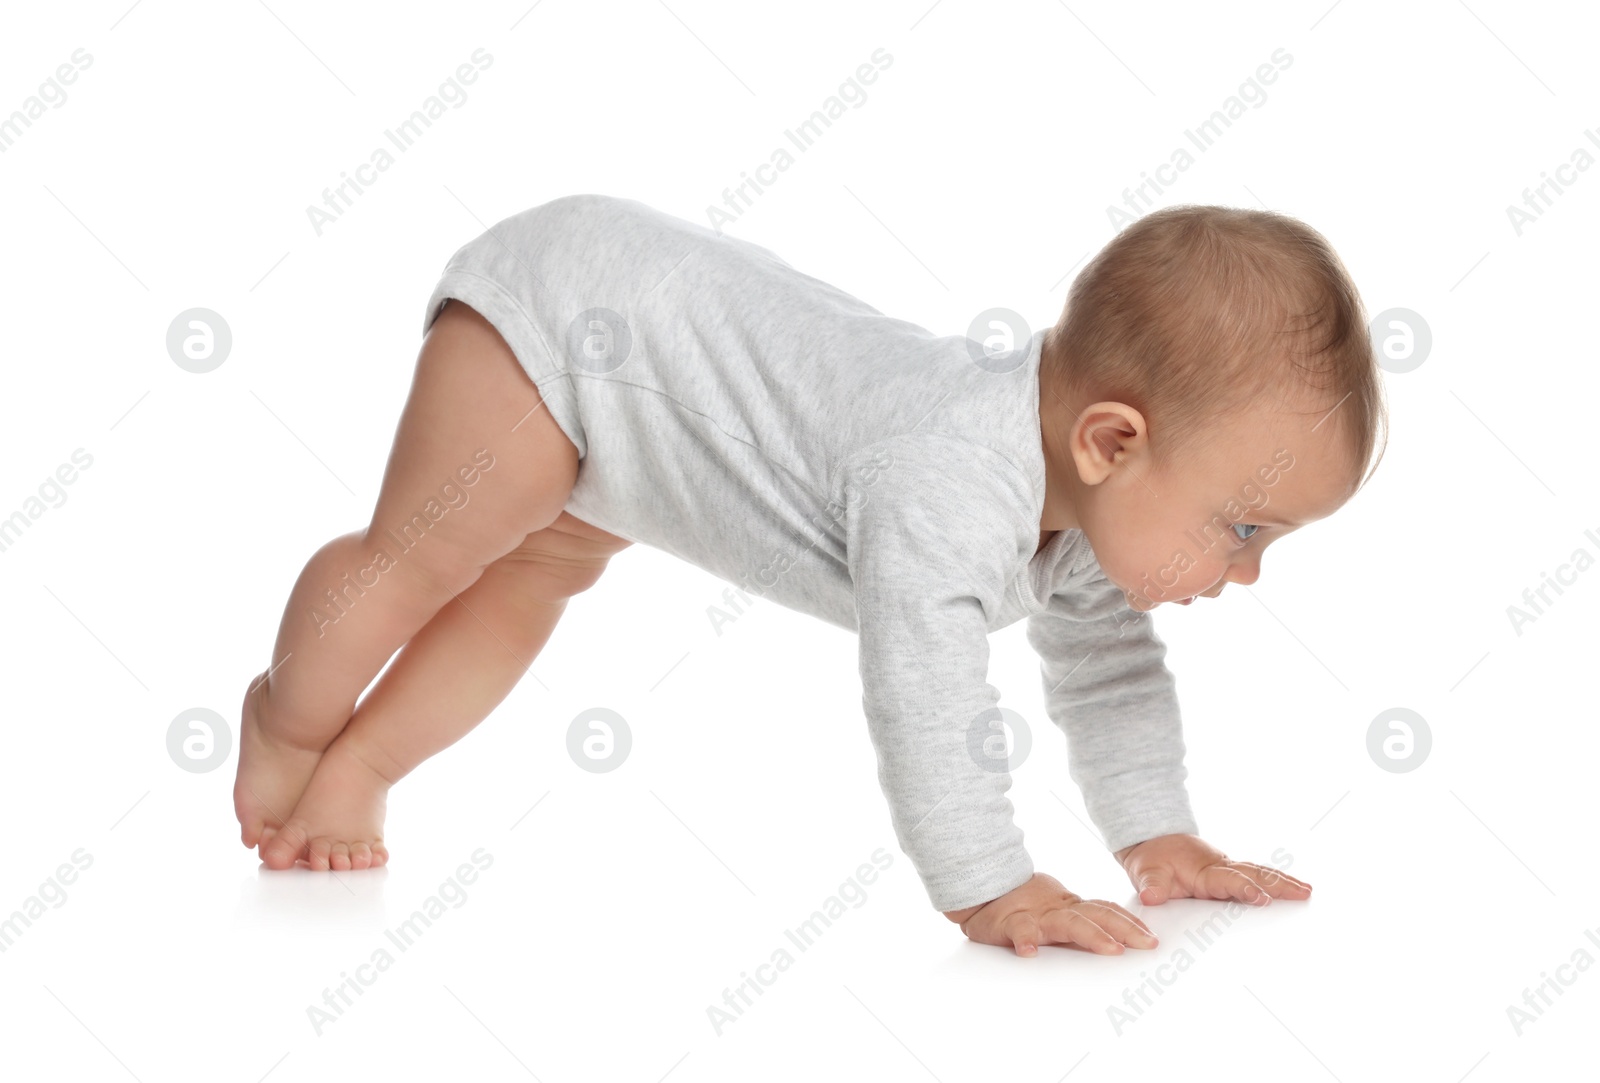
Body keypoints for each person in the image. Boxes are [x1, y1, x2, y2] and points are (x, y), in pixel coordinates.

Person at [233, 194, 1385, 957]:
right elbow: (925, 698)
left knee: (527, 583)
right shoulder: (946, 480)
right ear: (1111, 442)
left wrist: (1157, 839)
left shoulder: (1083, 515)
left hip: (645, 437)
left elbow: (1110, 677)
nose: (1244, 575)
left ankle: (362, 766)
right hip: (581, 326)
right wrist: (989, 884)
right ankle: (287, 724)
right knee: (423, 557)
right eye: (1241, 528)